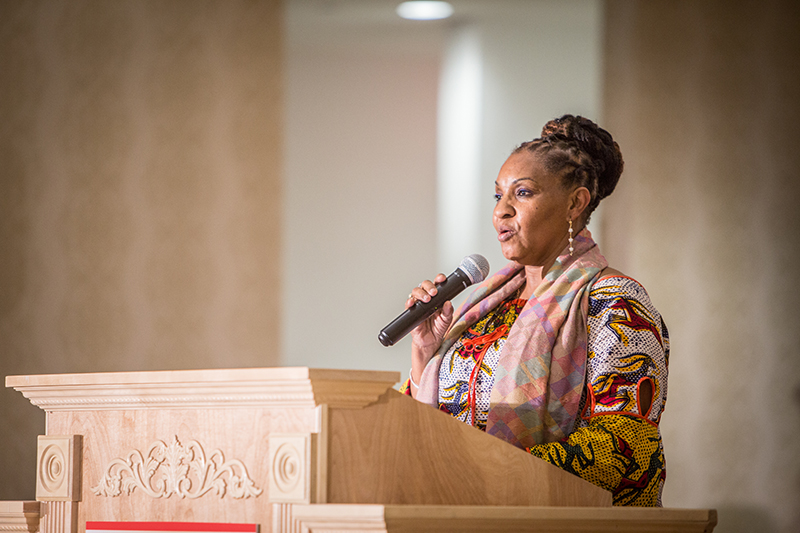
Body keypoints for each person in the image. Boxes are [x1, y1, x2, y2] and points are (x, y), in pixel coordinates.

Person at [399, 115, 669, 507]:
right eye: (498, 196)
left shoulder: (616, 303)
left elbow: (624, 449)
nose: (501, 212)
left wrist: (481, 473)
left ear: (575, 203)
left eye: (522, 193)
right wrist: (426, 351)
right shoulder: (483, 309)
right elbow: (431, 426)